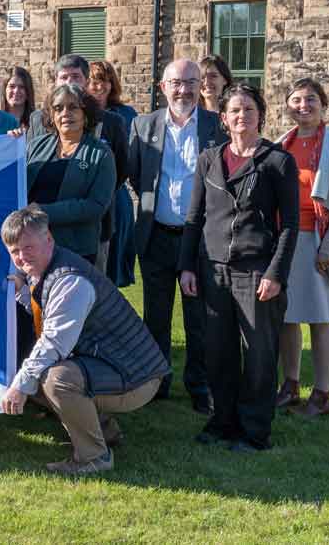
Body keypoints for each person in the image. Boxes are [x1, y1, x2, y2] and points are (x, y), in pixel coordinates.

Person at [0, 206, 170, 476]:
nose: (21, 257)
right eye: (14, 252)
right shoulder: (48, 271)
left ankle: (94, 457)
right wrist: (22, 294)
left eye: (27, 247)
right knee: (41, 376)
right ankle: (104, 431)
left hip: (138, 377)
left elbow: (54, 343)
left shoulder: (70, 281)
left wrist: (19, 386)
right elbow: (51, 314)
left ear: (49, 239)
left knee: (55, 379)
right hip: (117, 364)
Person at [179, 84, 299, 452]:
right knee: (218, 352)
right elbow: (195, 217)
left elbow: (290, 224)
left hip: (255, 272)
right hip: (213, 270)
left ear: (260, 115)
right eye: (234, 110)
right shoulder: (209, 159)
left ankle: (254, 430)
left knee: (260, 354)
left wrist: (275, 273)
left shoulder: (277, 161)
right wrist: (187, 266)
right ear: (223, 118)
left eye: (248, 109)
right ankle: (222, 422)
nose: (241, 116)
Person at [126, 58, 227, 412]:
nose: (183, 90)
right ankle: (158, 383)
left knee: (199, 319)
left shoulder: (217, 127)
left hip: (198, 241)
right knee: (156, 317)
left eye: (190, 82)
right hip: (156, 238)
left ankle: (199, 387)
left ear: (201, 85)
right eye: (176, 83)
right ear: (163, 87)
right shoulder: (143, 125)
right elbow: (137, 177)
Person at [274, 78, 329, 418]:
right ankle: (289, 386)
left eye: (310, 99)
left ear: (323, 105)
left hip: (320, 242)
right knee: (286, 317)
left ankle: (322, 395)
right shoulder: (281, 145)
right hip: (286, 240)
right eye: (296, 100)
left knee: (320, 319)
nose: (303, 105)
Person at [25, 84, 116, 264]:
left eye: (73, 107)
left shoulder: (101, 153)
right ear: (51, 115)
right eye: (58, 108)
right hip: (32, 245)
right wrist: (12, 142)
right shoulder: (35, 145)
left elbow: (96, 206)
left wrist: (43, 212)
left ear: (86, 114)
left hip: (75, 250)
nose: (65, 113)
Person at [90, 60, 138, 288]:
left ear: (111, 84)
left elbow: (130, 158)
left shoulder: (126, 115)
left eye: (101, 81)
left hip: (116, 196)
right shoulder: (81, 113)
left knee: (112, 269)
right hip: (88, 195)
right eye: (91, 81)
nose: (96, 86)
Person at [1, 66, 36, 134]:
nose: (16, 91)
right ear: (5, 90)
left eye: (21, 87)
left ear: (28, 91)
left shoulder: (37, 123)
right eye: (12, 86)